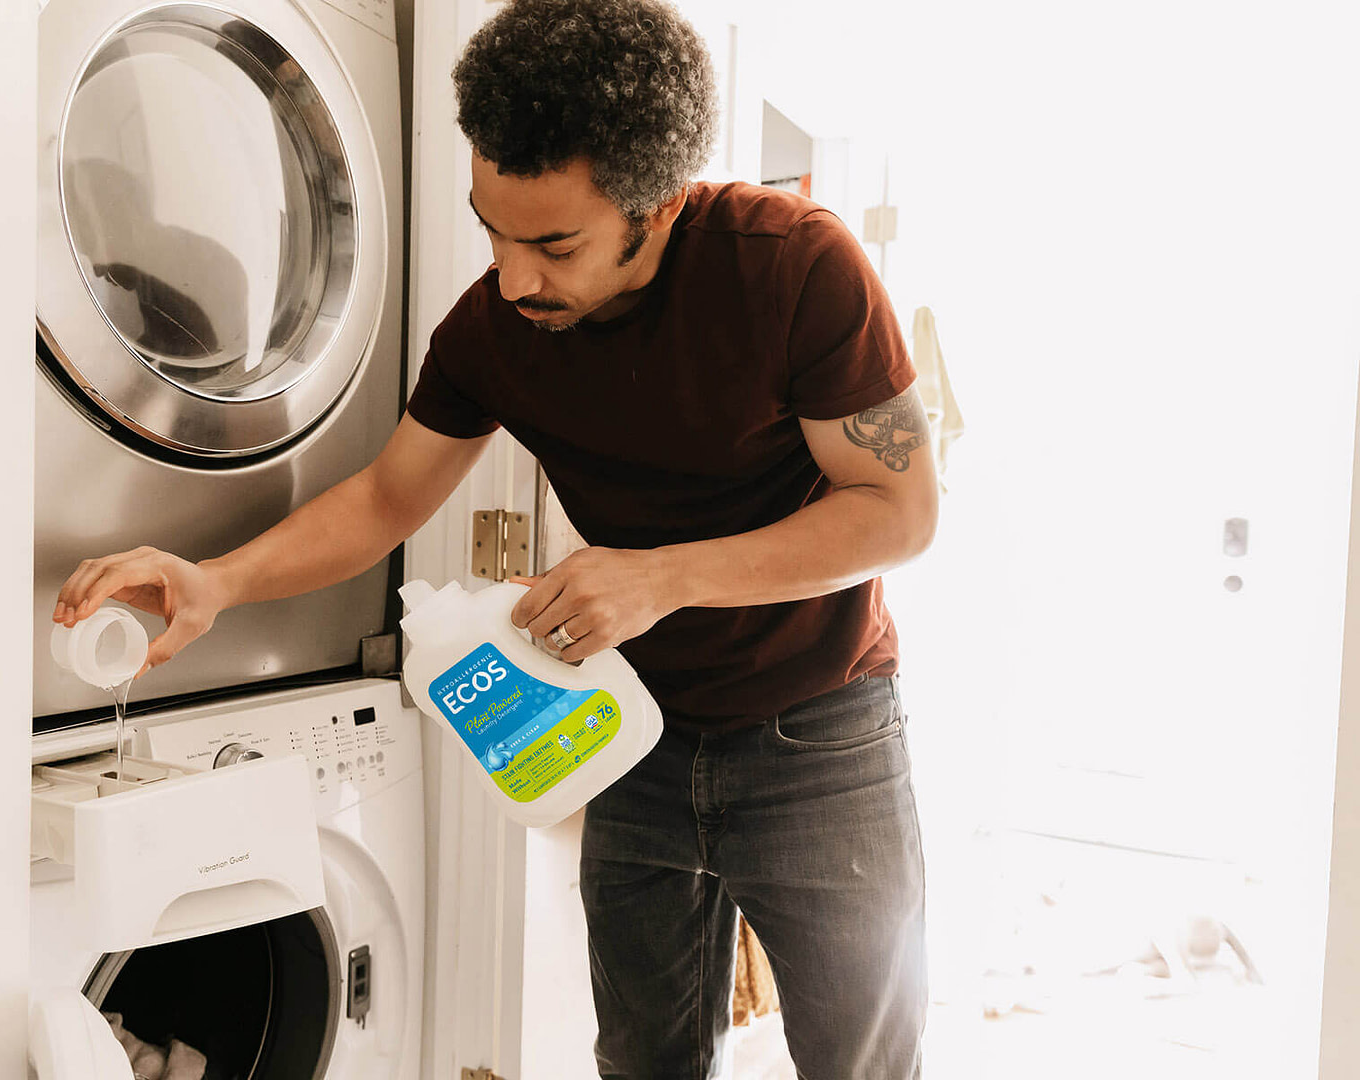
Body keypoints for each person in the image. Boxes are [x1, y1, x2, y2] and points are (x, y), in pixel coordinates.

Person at [55, 0, 938, 1075]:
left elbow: (899, 510)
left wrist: (660, 579)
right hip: (633, 739)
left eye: (554, 242)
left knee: (863, 1064)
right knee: (644, 1063)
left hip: (819, 733)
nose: (515, 278)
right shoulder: (496, 328)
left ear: (655, 209)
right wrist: (216, 581)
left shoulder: (794, 268)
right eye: (493, 230)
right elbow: (387, 499)